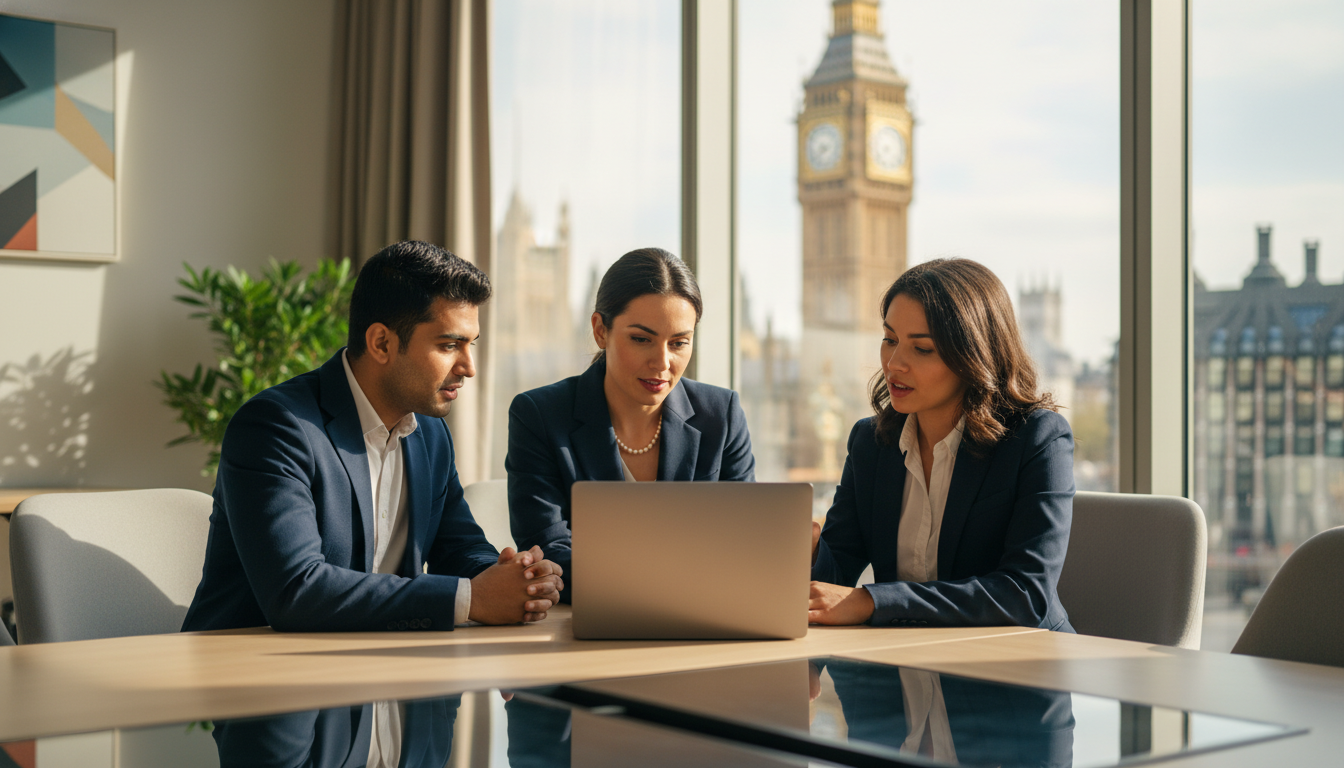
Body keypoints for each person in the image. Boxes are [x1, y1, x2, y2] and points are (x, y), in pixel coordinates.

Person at [182, 241, 563, 634]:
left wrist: (517, 579)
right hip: (249, 673)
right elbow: (296, 591)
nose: (468, 367)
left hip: (378, 666)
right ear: (381, 343)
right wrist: (472, 599)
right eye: (449, 345)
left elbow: (459, 549)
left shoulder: (431, 434)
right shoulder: (275, 427)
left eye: (471, 345)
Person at [809, 258, 1075, 630]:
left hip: (1019, 669)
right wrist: (809, 550)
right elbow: (835, 578)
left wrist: (874, 600)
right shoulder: (871, 443)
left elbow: (1025, 596)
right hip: (901, 669)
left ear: (974, 355)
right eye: (889, 340)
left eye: (922, 349)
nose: (894, 363)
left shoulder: (1037, 438)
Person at [506, 247, 755, 601]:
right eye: (642, 339)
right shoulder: (540, 415)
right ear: (600, 330)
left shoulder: (722, 415)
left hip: (699, 621)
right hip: (586, 624)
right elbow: (551, 550)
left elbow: (743, 541)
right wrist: (680, 579)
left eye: (679, 343)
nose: (663, 363)